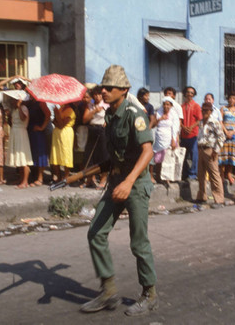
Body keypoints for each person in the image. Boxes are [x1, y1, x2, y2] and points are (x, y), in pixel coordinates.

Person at [81, 65, 157, 317]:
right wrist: (82, 174)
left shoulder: (135, 113)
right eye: (102, 87)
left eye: (109, 87)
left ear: (123, 90)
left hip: (135, 185)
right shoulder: (110, 115)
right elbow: (114, 158)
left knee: (139, 243)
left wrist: (128, 182)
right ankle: (108, 291)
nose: (103, 91)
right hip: (116, 182)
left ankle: (149, 293)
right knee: (95, 233)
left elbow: (147, 151)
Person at [196, 100, 227, 208]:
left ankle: (219, 199)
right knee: (201, 175)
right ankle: (202, 196)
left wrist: (216, 150)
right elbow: (200, 135)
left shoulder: (214, 122)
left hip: (211, 150)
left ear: (211, 111)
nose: (205, 112)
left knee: (214, 175)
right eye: (203, 110)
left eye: (207, 110)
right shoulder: (201, 122)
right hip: (201, 149)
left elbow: (221, 137)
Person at [6, 97, 34, 189]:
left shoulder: (23, 108)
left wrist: (19, 106)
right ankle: (21, 179)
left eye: (15, 100)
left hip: (21, 133)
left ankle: (25, 181)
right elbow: (11, 122)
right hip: (15, 132)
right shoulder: (14, 110)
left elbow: (23, 118)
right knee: (18, 157)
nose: (13, 101)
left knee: (23, 157)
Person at [153, 96, 179, 184]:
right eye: (164, 104)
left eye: (168, 104)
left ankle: (167, 178)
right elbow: (154, 124)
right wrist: (161, 118)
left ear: (171, 105)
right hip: (160, 137)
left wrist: (173, 140)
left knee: (168, 159)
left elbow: (175, 128)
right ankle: (158, 176)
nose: (166, 106)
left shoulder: (174, 114)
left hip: (169, 137)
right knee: (158, 159)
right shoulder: (158, 112)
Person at [25, 98, 51, 187]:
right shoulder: (29, 103)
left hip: (38, 132)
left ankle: (40, 178)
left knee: (40, 154)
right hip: (30, 131)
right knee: (33, 154)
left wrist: (42, 127)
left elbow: (48, 115)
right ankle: (34, 176)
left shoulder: (41, 102)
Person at [219, 93, 235, 185]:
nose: (232, 100)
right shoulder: (223, 108)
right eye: (230, 98)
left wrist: (232, 132)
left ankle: (228, 173)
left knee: (232, 155)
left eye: (234, 98)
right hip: (224, 134)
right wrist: (226, 131)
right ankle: (221, 174)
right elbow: (220, 121)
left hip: (234, 135)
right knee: (223, 154)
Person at [180, 86, 202, 180]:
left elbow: (199, 119)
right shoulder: (181, 106)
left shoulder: (196, 106)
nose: (189, 94)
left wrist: (190, 127)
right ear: (185, 94)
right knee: (183, 155)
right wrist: (184, 127)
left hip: (193, 135)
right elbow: (179, 120)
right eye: (188, 92)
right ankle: (184, 173)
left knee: (194, 155)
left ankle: (193, 174)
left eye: (192, 93)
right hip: (183, 135)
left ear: (194, 95)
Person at [49, 103, 75, 182]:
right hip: (57, 134)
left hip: (65, 134)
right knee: (55, 155)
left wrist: (56, 113)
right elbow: (54, 121)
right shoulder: (60, 109)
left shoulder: (70, 111)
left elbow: (61, 125)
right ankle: (59, 177)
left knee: (65, 154)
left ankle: (66, 177)